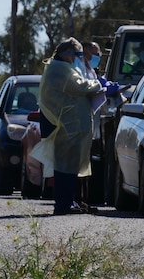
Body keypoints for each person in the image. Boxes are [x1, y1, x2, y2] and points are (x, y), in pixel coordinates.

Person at [32, 37, 103, 215]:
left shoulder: (60, 67)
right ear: (67, 54)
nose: (78, 58)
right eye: (77, 54)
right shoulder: (60, 69)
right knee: (65, 167)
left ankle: (68, 202)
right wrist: (99, 85)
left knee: (68, 166)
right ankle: (63, 204)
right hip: (66, 126)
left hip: (69, 126)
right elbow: (79, 86)